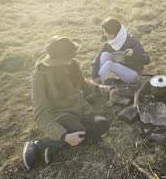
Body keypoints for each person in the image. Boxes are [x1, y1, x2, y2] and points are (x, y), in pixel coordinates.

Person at [23, 36, 112, 170]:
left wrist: (98, 87)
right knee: (79, 131)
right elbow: (40, 115)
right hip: (60, 114)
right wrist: (63, 136)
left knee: (103, 124)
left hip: (81, 109)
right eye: (68, 57)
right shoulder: (40, 76)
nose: (71, 59)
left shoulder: (72, 63)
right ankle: (39, 144)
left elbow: (82, 83)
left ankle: (55, 145)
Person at [92, 17, 150, 84]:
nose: (103, 34)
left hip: (134, 74)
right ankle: (98, 80)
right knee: (104, 54)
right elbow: (97, 58)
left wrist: (134, 53)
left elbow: (147, 60)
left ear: (113, 34)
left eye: (105, 32)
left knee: (109, 64)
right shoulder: (111, 42)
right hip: (121, 71)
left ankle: (96, 85)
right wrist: (94, 75)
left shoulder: (131, 40)